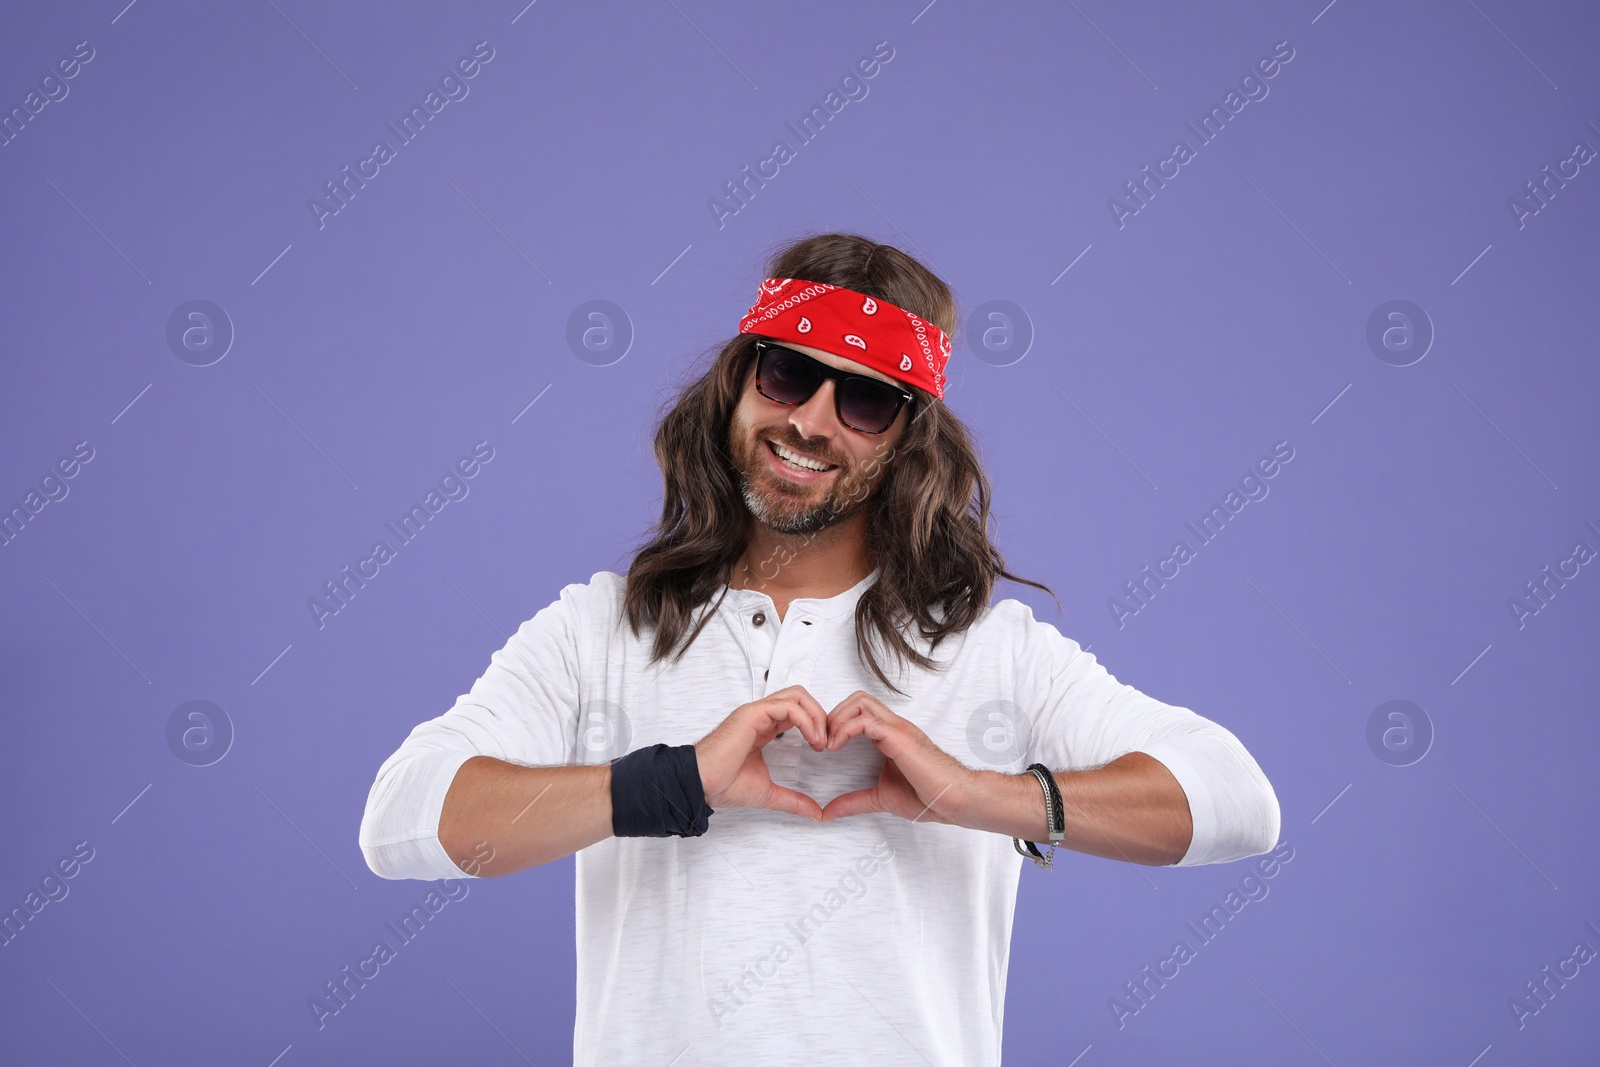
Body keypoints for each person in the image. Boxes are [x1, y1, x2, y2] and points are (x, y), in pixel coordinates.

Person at [358, 233, 1280, 1065]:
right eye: (787, 375)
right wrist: (673, 781)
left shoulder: (989, 652)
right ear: (741, 382)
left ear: (911, 439)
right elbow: (400, 822)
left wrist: (979, 795)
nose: (812, 420)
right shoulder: (605, 628)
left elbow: (1238, 800)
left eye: (868, 398)